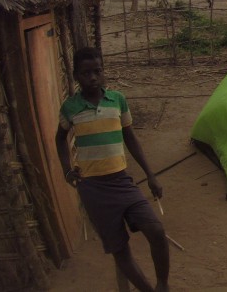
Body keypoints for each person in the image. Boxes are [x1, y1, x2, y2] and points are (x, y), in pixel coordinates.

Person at [55, 47, 169, 292]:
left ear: (103, 72)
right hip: (93, 188)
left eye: (97, 71)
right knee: (120, 249)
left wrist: (150, 175)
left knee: (156, 230)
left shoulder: (117, 100)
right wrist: (67, 169)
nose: (93, 77)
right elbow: (59, 139)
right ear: (76, 75)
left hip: (122, 182)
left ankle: (162, 284)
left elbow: (131, 139)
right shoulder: (70, 107)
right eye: (86, 73)